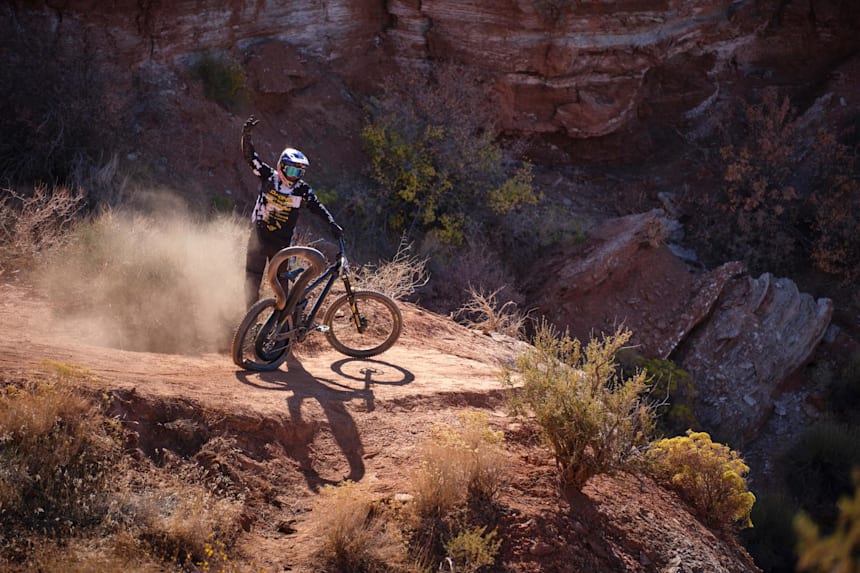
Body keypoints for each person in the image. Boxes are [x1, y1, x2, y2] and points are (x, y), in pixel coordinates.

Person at [241, 115, 343, 308]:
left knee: (283, 287)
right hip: (258, 238)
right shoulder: (268, 177)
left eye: (299, 173)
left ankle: (282, 324)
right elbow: (251, 158)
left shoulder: (302, 190)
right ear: (281, 166)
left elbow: (317, 207)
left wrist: (331, 223)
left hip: (283, 244)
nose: (294, 177)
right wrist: (246, 137)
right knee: (252, 282)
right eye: (292, 171)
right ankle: (250, 319)